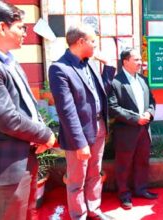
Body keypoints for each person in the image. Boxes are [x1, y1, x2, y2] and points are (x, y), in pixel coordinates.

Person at [0, 1, 56, 219]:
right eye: (21, 27)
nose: (25, 32)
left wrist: (39, 134)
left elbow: (27, 106)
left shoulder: (7, 60)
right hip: (5, 166)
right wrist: (46, 134)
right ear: (2, 27)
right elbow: (7, 119)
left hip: (25, 156)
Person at [48, 24, 115, 220]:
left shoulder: (90, 64)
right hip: (78, 134)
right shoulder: (59, 68)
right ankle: (79, 215)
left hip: (99, 128)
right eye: (93, 41)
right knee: (76, 180)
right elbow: (66, 110)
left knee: (95, 174)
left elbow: (103, 92)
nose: (95, 45)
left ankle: (94, 210)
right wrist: (80, 142)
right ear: (81, 41)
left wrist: (109, 66)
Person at [108, 48, 157, 209]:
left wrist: (149, 113)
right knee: (124, 165)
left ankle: (141, 189)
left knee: (142, 162)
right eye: (136, 60)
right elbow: (113, 108)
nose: (140, 63)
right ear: (125, 61)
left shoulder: (143, 79)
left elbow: (152, 101)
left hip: (144, 130)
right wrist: (137, 119)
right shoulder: (115, 82)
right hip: (126, 132)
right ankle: (124, 195)